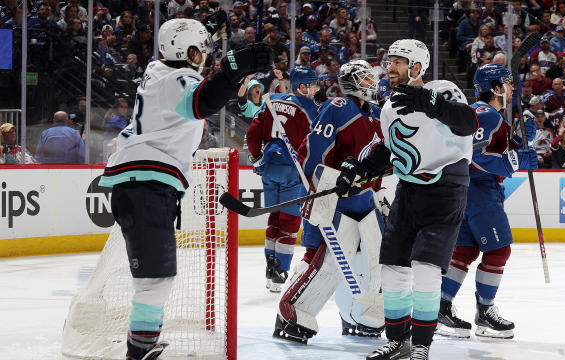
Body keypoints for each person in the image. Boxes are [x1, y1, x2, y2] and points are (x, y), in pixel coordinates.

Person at [96, 16, 272, 360]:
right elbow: (202, 101)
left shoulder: (160, 70)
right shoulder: (177, 77)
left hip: (144, 181)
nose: (204, 53)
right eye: (200, 47)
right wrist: (235, 67)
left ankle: (144, 342)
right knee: (156, 277)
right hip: (144, 182)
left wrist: (231, 71)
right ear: (187, 50)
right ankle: (140, 349)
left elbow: (206, 92)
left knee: (157, 274)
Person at [342, 39, 478, 360]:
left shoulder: (441, 89)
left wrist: (428, 101)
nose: (389, 68)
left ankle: (421, 345)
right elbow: (390, 150)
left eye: (397, 62)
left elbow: (468, 122)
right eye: (388, 62)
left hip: (446, 189)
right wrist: (360, 170)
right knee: (392, 266)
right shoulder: (389, 107)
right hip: (409, 191)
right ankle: (399, 339)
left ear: (416, 67)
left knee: (427, 267)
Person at [273, 60, 386, 344]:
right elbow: (313, 152)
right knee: (321, 259)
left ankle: (356, 316)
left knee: (368, 259)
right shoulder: (339, 107)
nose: (374, 84)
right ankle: (292, 312)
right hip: (333, 200)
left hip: (363, 202)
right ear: (354, 83)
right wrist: (318, 184)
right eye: (368, 80)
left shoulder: (376, 117)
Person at [437, 63, 538, 341]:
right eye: (507, 83)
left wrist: (518, 141)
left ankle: (440, 308)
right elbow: (474, 154)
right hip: (480, 191)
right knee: (498, 251)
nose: (511, 88)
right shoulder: (487, 114)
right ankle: (485, 313)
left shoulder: (488, 114)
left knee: (465, 251)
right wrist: (514, 160)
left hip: (466, 190)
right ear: (495, 88)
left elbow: (493, 149)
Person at [245, 66, 320, 292]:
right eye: (313, 84)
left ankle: (270, 269)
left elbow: (252, 135)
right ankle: (279, 275)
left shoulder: (273, 99)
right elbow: (316, 144)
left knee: (274, 219)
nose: (316, 88)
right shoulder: (309, 108)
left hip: (269, 168)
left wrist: (258, 160)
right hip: (292, 171)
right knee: (288, 225)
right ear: (303, 86)